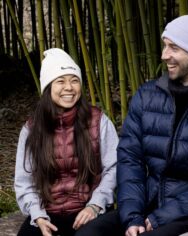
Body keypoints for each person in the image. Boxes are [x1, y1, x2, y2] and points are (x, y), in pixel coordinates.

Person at [72, 12, 188, 236]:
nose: (164, 55)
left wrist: (163, 215)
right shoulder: (147, 96)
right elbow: (131, 158)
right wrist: (132, 216)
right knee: (88, 234)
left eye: (173, 48)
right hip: (145, 204)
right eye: (164, 46)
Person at [14, 48, 118, 236]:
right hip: (48, 213)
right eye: (60, 81)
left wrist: (95, 205)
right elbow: (24, 180)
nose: (69, 87)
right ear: (48, 88)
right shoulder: (32, 129)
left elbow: (114, 168)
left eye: (74, 81)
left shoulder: (98, 121)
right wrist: (38, 216)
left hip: (88, 210)